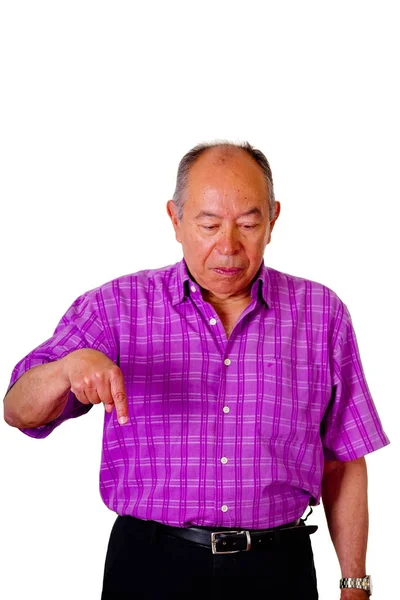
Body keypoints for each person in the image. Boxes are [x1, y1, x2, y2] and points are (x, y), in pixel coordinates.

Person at [4, 140, 389, 599]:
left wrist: (355, 582)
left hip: (278, 567)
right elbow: (18, 410)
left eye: (248, 223)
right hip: (150, 566)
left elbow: (343, 459)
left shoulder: (321, 314)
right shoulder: (115, 308)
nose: (228, 245)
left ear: (273, 221)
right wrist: (67, 368)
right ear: (175, 219)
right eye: (209, 224)